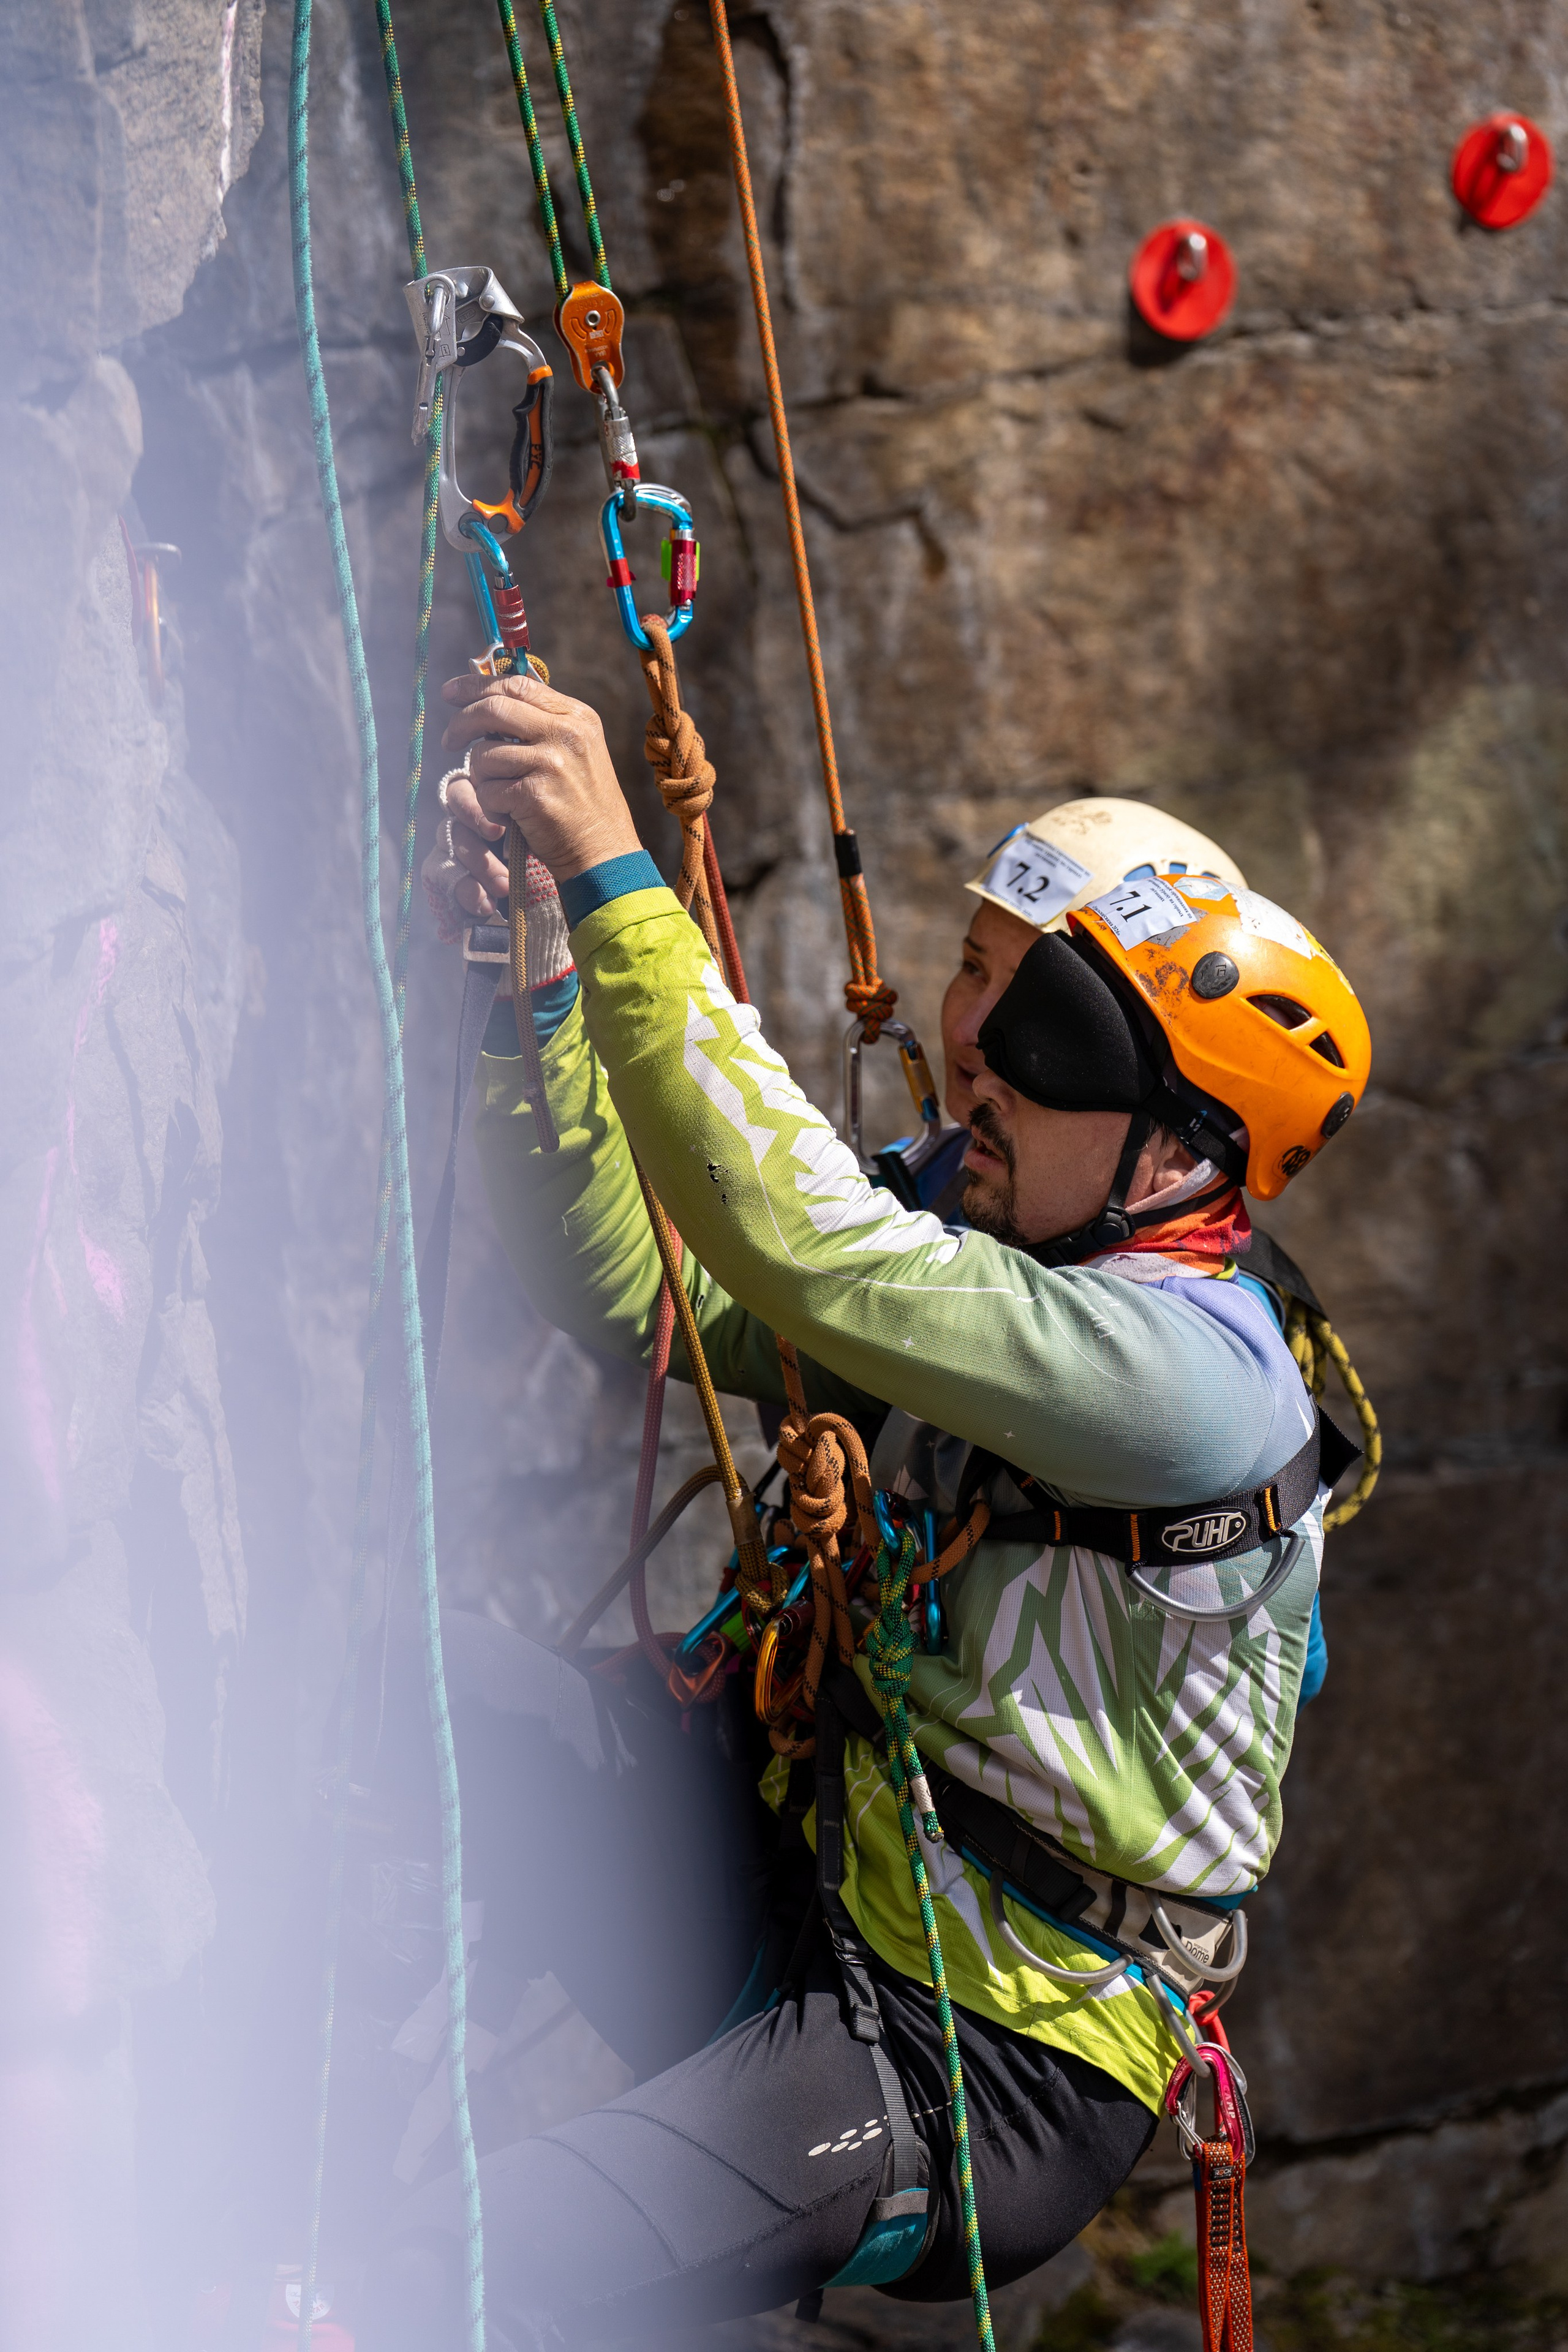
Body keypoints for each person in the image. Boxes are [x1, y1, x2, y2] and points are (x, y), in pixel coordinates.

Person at [359, 671, 1370, 2350]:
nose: (966, 1043)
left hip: (984, 2054)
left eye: (1016, 1008)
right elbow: (650, 1289)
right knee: (404, 1695)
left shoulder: (1194, 1375)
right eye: (971, 975)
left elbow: (809, 1245)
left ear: (1165, 1132)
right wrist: (540, 963)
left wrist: (617, 868)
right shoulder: (999, 1244)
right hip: (811, 1869)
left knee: (459, 2274)